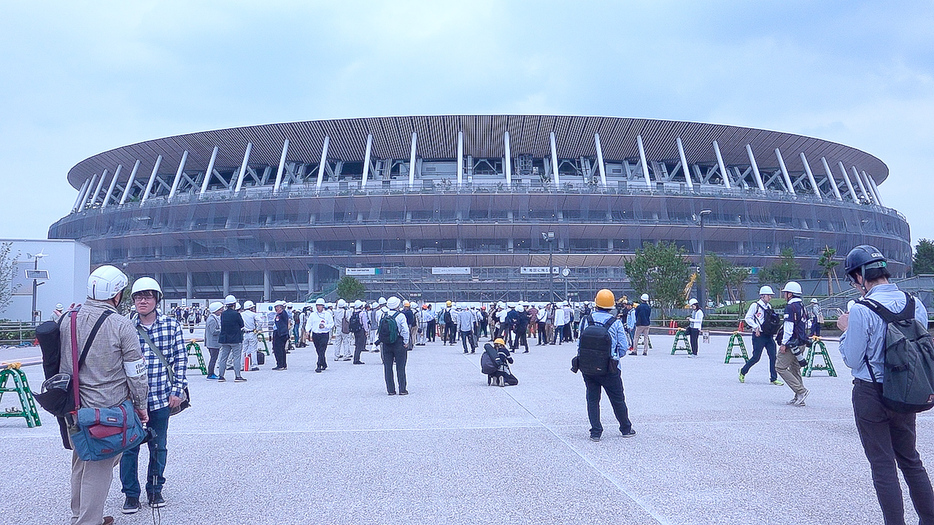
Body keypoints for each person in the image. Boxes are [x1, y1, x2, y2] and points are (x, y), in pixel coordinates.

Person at [838, 245, 934, 524]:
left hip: (871, 393)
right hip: (906, 389)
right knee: (911, 460)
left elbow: (853, 358)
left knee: (882, 465)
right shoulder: (914, 303)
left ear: (859, 276)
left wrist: (845, 331)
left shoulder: (861, 310)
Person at [61, 265, 149, 525]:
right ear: (116, 294)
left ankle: (79, 514)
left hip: (72, 405)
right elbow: (135, 372)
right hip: (106, 411)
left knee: (80, 460)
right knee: (100, 467)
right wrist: (141, 404)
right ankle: (88, 522)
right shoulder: (121, 325)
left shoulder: (68, 317)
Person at [120, 277, 188, 513]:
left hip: (161, 397)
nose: (142, 301)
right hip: (130, 400)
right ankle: (130, 494)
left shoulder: (171, 326)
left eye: (148, 296)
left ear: (157, 299)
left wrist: (177, 391)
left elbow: (180, 360)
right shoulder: (125, 326)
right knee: (129, 448)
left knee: (158, 446)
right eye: (138, 297)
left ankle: (155, 488)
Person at [575, 289, 635, 442]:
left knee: (592, 399)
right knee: (617, 399)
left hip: (588, 367)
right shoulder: (615, 323)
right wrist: (614, 356)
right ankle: (625, 428)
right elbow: (623, 347)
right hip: (610, 368)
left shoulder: (585, 320)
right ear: (611, 305)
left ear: (596, 303)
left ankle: (595, 431)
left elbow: (580, 343)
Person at [739, 286, 782, 385]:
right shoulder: (755, 306)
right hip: (758, 335)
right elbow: (748, 318)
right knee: (756, 357)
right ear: (762, 296)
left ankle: (773, 378)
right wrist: (755, 327)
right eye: (768, 295)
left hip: (768, 335)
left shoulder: (769, 307)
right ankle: (743, 371)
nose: (770, 297)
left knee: (773, 356)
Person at [777, 281, 808, 406]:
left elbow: (788, 327)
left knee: (780, 367)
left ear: (790, 294)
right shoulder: (802, 305)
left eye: (785, 292)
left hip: (792, 343)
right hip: (801, 341)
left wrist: (784, 343)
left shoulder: (790, 307)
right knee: (795, 368)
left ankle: (801, 391)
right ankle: (799, 396)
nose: (784, 294)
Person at [379, 296, 410, 395]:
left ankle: (390, 390)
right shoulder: (400, 316)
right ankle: (402, 389)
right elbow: (405, 330)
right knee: (400, 367)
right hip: (398, 342)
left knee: (388, 367)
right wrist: (406, 342)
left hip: (386, 343)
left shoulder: (384, 315)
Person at [216, 295, 245, 383]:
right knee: (236, 357)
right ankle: (237, 376)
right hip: (235, 338)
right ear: (234, 304)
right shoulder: (236, 314)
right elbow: (242, 325)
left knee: (223, 358)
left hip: (225, 339)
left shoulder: (223, 314)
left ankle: (221, 376)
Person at [305, 298, 334, 373]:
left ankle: (318, 365)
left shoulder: (327, 314)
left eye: (320, 305)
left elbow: (331, 324)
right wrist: (307, 331)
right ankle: (323, 363)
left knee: (322, 349)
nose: (318, 307)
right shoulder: (313, 315)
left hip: (324, 334)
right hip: (315, 334)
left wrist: (325, 326)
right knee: (318, 350)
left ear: (323, 306)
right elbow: (309, 323)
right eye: (317, 305)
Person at [204, 301, 223, 379]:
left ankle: (211, 372)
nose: (221, 311)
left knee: (213, 358)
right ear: (216, 310)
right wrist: (222, 330)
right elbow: (213, 331)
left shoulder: (213, 318)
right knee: (213, 359)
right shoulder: (212, 319)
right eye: (220, 310)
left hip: (213, 343)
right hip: (213, 343)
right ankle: (210, 373)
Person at [241, 300, 260, 371]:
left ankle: (242, 366)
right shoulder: (253, 314)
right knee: (253, 350)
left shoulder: (241, 314)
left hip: (245, 333)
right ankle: (254, 365)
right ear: (251, 308)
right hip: (252, 332)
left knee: (243, 350)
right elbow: (260, 321)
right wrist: (257, 329)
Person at [271, 301, 290, 370]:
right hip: (280, 333)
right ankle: (283, 364)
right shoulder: (279, 314)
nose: (276, 309)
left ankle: (280, 364)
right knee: (281, 349)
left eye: (277, 307)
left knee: (278, 349)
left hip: (280, 334)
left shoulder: (282, 314)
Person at [350, 300, 369, 364]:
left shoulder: (353, 313)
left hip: (355, 330)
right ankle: (356, 359)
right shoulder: (362, 313)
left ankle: (356, 358)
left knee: (357, 344)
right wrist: (366, 331)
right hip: (361, 330)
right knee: (359, 345)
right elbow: (364, 323)